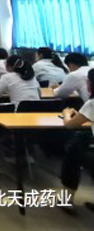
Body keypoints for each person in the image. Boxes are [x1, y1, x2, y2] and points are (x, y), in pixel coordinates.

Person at [60, 69, 94, 211]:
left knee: (73, 151)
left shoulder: (91, 104)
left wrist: (67, 114)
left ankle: (67, 200)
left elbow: (70, 125)